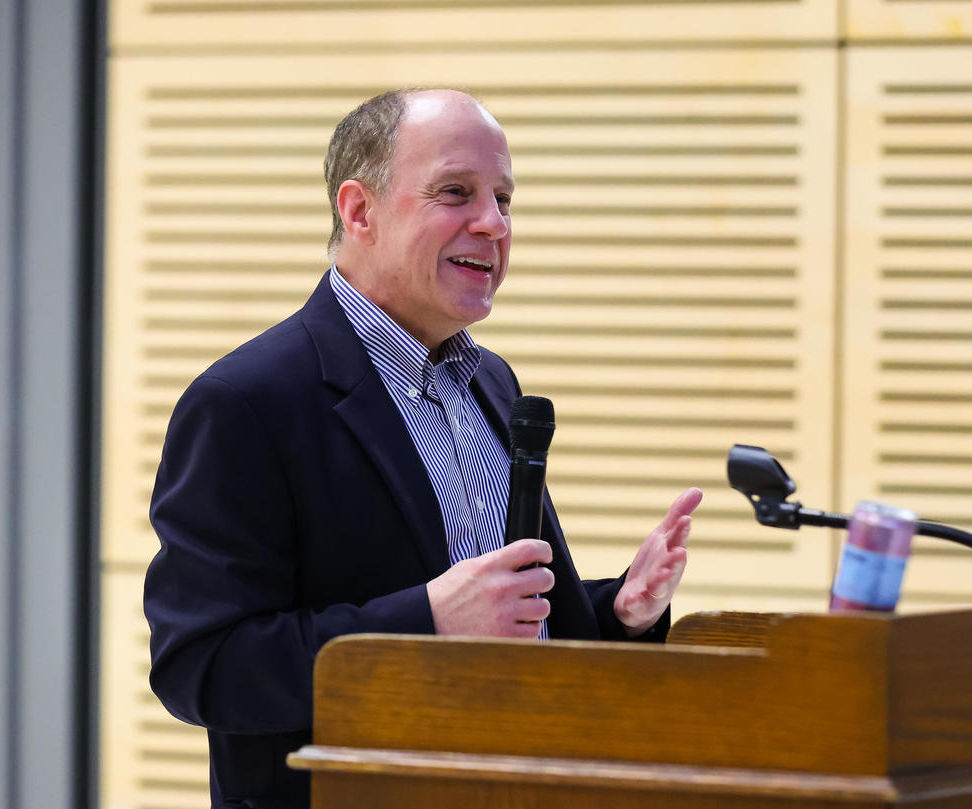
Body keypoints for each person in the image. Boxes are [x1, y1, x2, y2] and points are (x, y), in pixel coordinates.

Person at [143, 88, 704, 809]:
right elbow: (203, 666)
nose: (493, 223)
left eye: (505, 199)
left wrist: (617, 612)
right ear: (359, 211)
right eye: (455, 192)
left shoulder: (493, 384)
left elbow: (510, 629)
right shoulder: (247, 401)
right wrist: (429, 618)